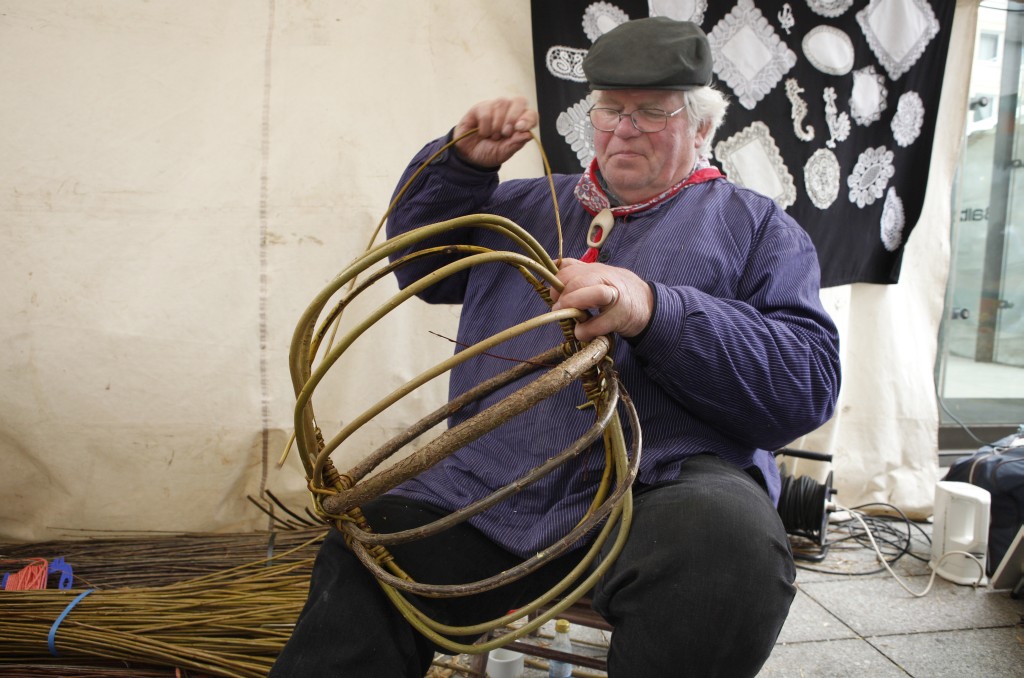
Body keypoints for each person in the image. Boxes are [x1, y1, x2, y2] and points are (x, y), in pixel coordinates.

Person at [272, 17, 841, 677]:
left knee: (728, 549)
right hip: (491, 482)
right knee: (373, 542)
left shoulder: (758, 228)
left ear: (702, 126)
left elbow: (805, 385)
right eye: (610, 110)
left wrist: (653, 309)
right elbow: (418, 265)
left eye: (652, 113)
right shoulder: (519, 207)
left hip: (662, 486)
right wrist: (460, 166)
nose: (624, 129)